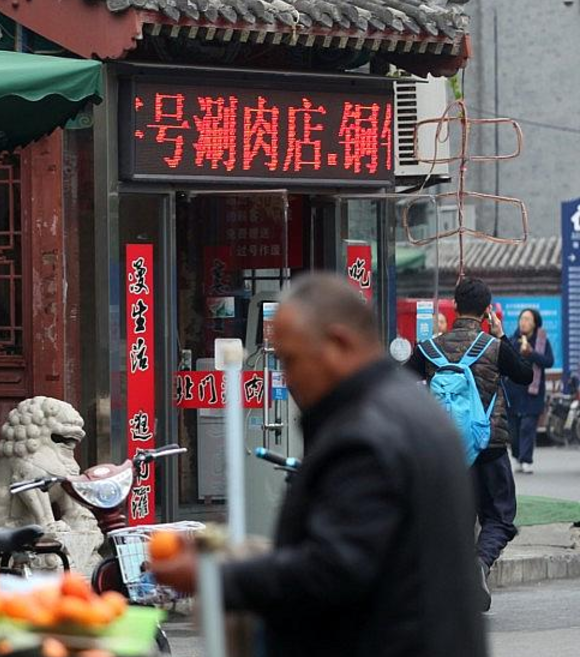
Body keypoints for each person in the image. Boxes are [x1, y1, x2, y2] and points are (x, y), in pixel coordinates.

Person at [154, 274, 486, 657]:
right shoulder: (416, 411)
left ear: (339, 342)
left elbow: (334, 569)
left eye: (293, 360)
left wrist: (212, 576)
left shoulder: (366, 434)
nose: (288, 379)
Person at [406, 276, 531, 611]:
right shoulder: (494, 346)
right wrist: (502, 334)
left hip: (445, 449)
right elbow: (524, 375)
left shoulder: (430, 348)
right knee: (500, 517)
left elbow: (399, 381)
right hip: (488, 446)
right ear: (487, 311)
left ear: (455, 305)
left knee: (452, 517)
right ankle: (479, 563)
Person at [506, 308, 554, 474]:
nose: (523, 322)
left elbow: (549, 361)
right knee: (513, 430)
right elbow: (506, 361)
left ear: (535, 323)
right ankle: (516, 456)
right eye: (522, 319)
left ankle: (526, 460)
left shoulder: (542, 342)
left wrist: (531, 353)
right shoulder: (512, 340)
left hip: (533, 392)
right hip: (513, 391)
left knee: (527, 427)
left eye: (527, 319)